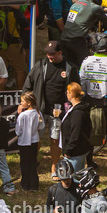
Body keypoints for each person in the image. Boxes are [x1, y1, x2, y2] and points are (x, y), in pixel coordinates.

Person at [24, 40, 79, 174]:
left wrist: (70, 107)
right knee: (35, 138)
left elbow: (76, 89)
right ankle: (33, 163)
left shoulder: (69, 68)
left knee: (55, 140)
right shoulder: (40, 65)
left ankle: (54, 167)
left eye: (52, 54)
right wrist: (25, 104)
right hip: (40, 110)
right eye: (47, 53)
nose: (49, 56)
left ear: (60, 52)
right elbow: (27, 85)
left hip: (58, 111)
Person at [61, 82, 92, 172]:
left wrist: (68, 150)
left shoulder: (77, 112)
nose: (66, 94)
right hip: (78, 150)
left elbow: (76, 132)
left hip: (75, 152)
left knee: (72, 176)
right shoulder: (77, 108)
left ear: (71, 94)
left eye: (67, 92)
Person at [16, 91, 41, 191]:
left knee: (25, 163)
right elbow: (41, 125)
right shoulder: (38, 113)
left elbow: (18, 131)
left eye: (22, 101)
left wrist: (18, 114)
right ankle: (34, 184)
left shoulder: (23, 115)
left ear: (29, 103)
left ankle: (25, 184)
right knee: (32, 162)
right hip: (34, 141)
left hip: (24, 142)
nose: (21, 103)